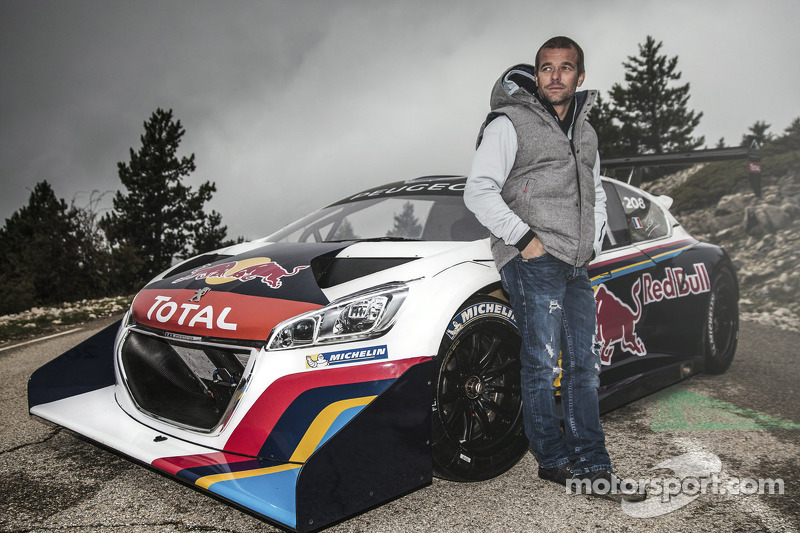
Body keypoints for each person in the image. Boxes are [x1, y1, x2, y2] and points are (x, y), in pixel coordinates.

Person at [464, 36, 642, 501]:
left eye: (565, 68)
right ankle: (555, 460)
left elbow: (597, 192)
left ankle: (593, 464)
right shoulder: (509, 123)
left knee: (584, 367)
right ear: (536, 75)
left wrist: (594, 240)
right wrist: (527, 242)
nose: (555, 76)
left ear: (580, 76)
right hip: (534, 260)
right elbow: (478, 190)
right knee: (543, 363)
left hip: (577, 262)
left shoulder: (585, 130)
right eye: (546, 68)